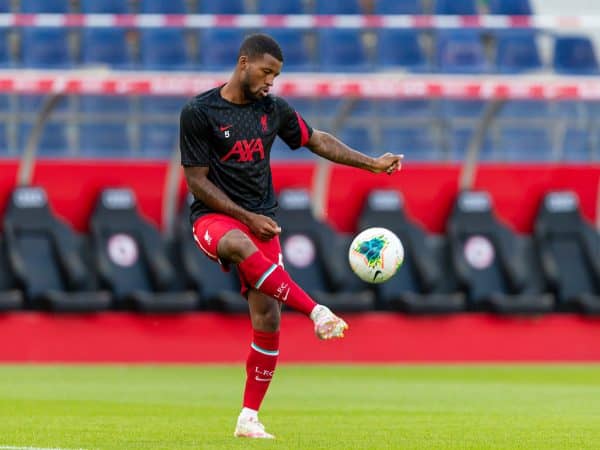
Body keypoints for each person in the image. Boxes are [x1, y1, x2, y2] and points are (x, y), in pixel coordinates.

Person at [179, 33, 403, 439]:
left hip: (261, 218)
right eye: (267, 72)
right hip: (215, 219)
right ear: (243, 62)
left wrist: (371, 164)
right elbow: (197, 182)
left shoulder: (273, 110)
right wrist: (245, 215)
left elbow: (316, 139)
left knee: (267, 318)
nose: (271, 82)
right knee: (239, 244)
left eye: (276, 75)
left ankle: (248, 418)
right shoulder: (200, 111)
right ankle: (317, 310)